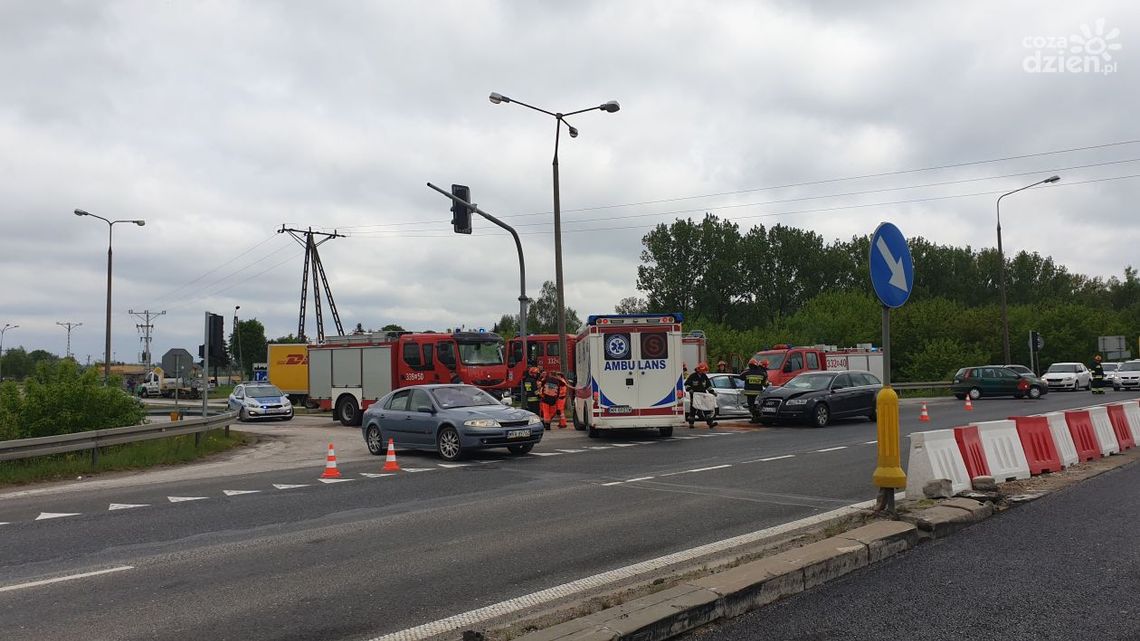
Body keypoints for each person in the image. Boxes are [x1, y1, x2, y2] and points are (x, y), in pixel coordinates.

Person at [685, 362, 718, 428]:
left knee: (706, 408)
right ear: (698, 369)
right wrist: (690, 389)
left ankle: (710, 423)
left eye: (704, 370)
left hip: (703, 395)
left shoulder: (704, 376)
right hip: (694, 395)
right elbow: (687, 384)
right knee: (693, 409)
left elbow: (708, 386)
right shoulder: (692, 376)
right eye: (702, 370)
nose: (703, 371)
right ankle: (691, 424)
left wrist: (712, 392)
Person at [738, 358, 770, 423]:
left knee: (751, 406)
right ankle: (757, 417)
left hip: (749, 393)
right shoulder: (762, 373)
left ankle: (755, 417)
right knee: (757, 405)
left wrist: (745, 371)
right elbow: (765, 383)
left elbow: (741, 377)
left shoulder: (747, 372)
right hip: (758, 393)